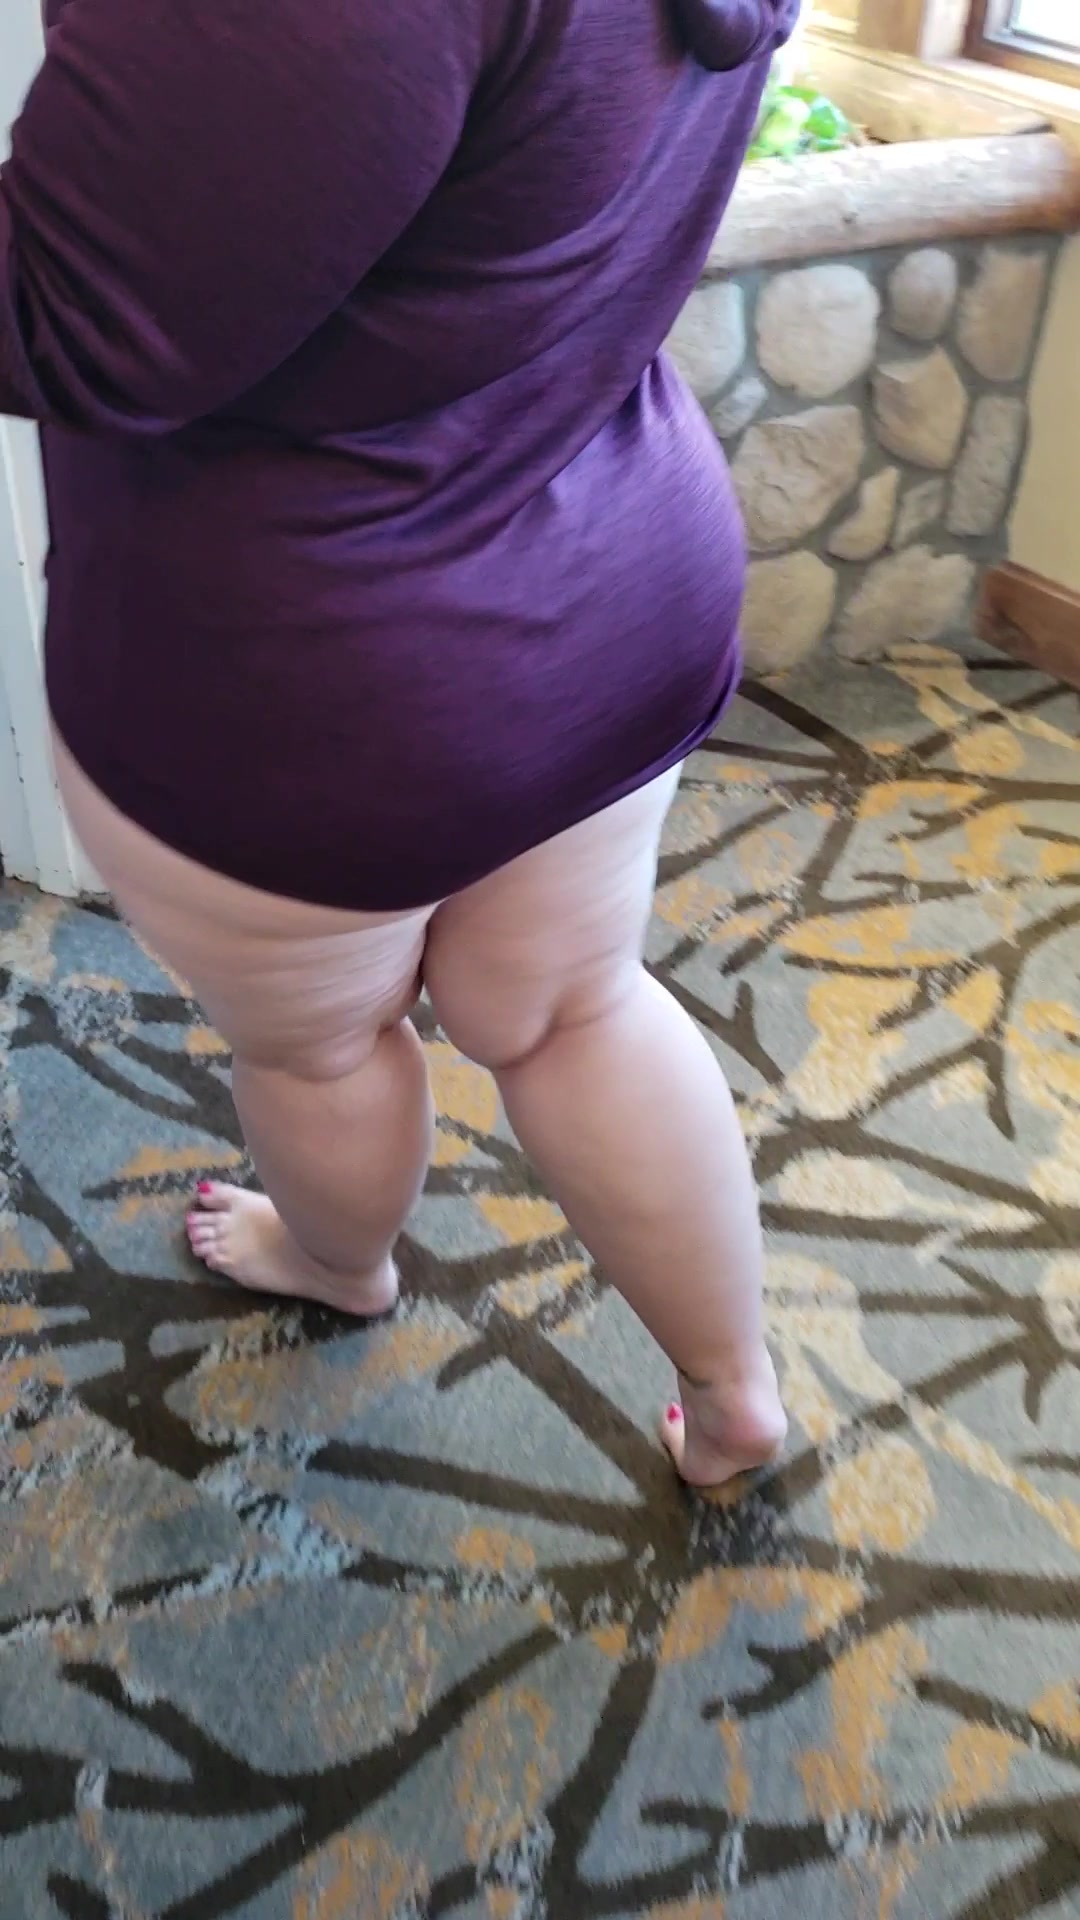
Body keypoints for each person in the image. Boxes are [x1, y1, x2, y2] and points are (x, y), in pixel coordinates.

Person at [1, 0, 796, 1488]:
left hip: (299, 681)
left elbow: (62, 317)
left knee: (318, 1052)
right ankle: (735, 1391)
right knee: (574, 1006)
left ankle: (334, 1261)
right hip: (611, 565)